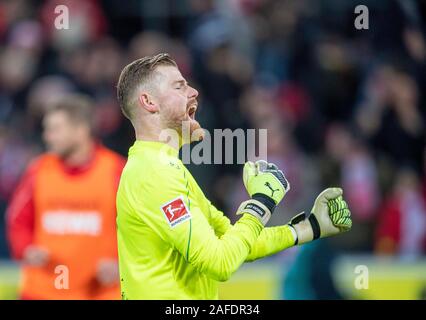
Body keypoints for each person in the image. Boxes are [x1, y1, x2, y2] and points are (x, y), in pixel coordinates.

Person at [115, 53, 352, 300]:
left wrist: (309, 228)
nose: (194, 91)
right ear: (149, 102)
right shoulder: (154, 174)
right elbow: (219, 263)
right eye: (179, 86)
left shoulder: (165, 168)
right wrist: (262, 202)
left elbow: (232, 240)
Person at [6, 94, 125, 299]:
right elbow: (17, 220)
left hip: (100, 292)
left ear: (81, 130)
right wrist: (25, 249)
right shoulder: (38, 170)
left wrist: (122, 262)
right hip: (43, 290)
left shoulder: (117, 171)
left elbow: (140, 226)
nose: (47, 136)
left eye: (55, 130)